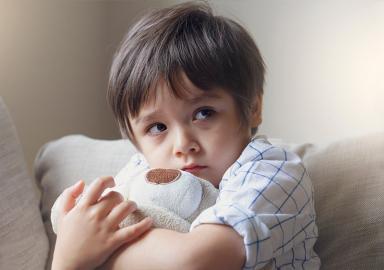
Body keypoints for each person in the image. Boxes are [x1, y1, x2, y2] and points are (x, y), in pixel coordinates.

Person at [52, 2, 320, 270]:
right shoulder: (141, 173)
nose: (182, 145)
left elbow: (197, 261)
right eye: (157, 128)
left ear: (252, 109)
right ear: (134, 140)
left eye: (203, 113)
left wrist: (78, 257)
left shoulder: (272, 171)